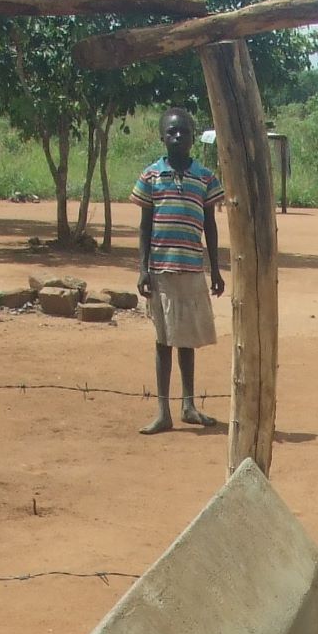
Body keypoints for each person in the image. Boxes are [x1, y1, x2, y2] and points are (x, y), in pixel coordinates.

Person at [130, 108, 226, 435]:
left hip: (191, 268)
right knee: (163, 340)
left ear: (192, 136)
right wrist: (142, 269)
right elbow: (145, 227)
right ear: (162, 137)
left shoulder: (205, 177)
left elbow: (210, 226)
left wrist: (215, 269)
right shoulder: (151, 176)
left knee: (186, 339)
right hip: (161, 269)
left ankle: (188, 405)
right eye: (171, 132)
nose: (178, 137)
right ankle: (162, 410)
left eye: (183, 132)